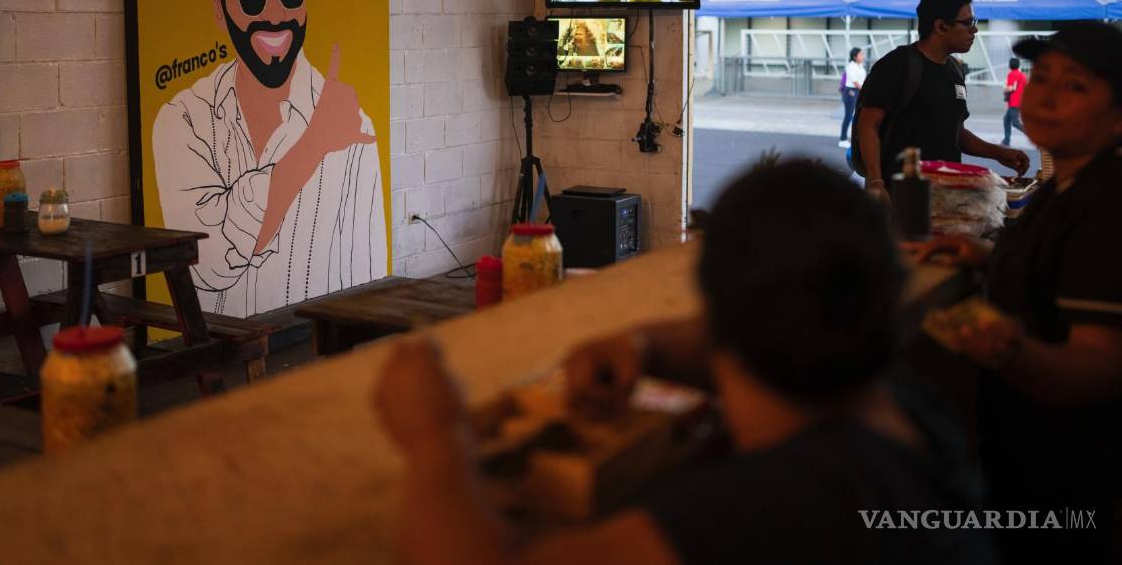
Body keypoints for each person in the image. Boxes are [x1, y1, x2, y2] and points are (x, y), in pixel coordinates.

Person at [374, 160, 994, 565]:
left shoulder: (772, 511)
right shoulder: (907, 411)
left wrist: (434, 438)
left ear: (722, 315)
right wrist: (642, 347)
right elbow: (726, 335)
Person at [916, 22, 1122, 562]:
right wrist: (985, 257)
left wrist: (1008, 347)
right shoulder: (1068, 184)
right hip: (1028, 449)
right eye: (1041, 77)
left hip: (1068, 467)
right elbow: (1063, 273)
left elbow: (1100, 366)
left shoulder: (1106, 205)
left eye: (1075, 86)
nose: (1046, 95)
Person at [153, 0, 386, 318]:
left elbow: (368, 278)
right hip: (215, 363)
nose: (277, 12)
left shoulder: (353, 127)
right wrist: (311, 145)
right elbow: (205, 262)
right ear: (219, 4)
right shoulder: (182, 120)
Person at [855, 0, 1028, 201]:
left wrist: (998, 153)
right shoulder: (897, 65)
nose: (974, 30)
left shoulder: (954, 69)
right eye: (967, 23)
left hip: (946, 197)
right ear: (940, 26)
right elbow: (868, 124)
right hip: (901, 196)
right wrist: (877, 183)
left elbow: (955, 133)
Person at [838, 46, 865, 148]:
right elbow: (855, 82)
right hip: (851, 92)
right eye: (861, 54)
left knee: (854, 116)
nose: (863, 56)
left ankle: (852, 138)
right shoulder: (851, 66)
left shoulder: (860, 66)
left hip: (857, 91)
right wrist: (865, 90)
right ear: (855, 56)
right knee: (848, 116)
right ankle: (843, 139)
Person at [1001, 57, 1027, 146]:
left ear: (1010, 65)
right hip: (1020, 102)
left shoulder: (1012, 74)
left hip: (1014, 102)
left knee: (1015, 123)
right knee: (1006, 120)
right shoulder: (1022, 75)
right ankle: (1006, 141)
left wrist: (1004, 90)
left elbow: (1011, 88)